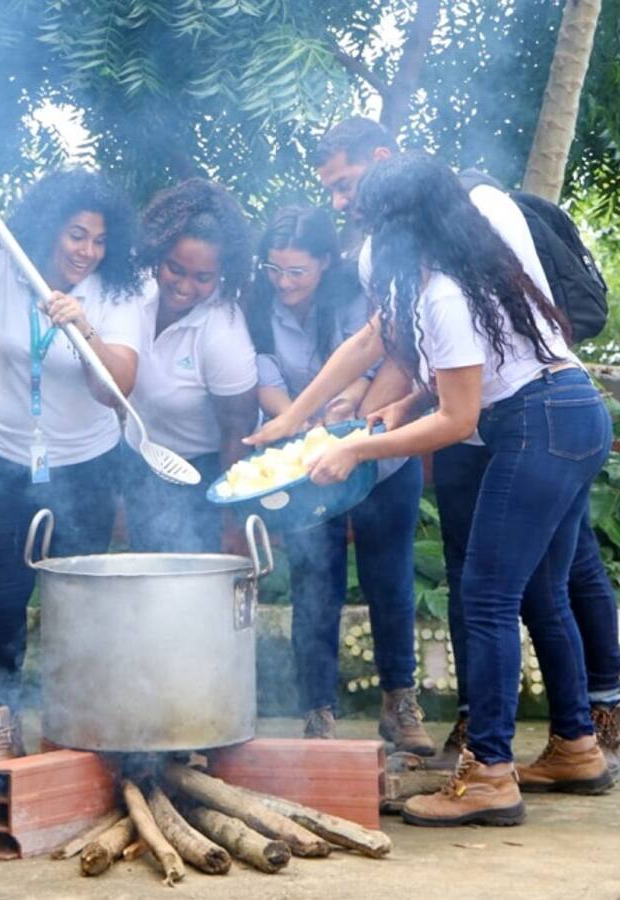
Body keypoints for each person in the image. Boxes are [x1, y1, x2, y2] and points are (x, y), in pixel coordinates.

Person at [252, 153, 614, 826]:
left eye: (372, 219)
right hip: (569, 414)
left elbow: (460, 419)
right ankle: (576, 747)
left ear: (402, 225)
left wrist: (356, 444)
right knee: (541, 591)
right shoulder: (464, 270)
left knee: (486, 594)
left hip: (537, 426)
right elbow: (446, 366)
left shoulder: (445, 291)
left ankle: (491, 775)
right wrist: (385, 406)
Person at [0, 149, 142, 762]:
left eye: (98, 239)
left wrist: (83, 328)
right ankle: (1, 721)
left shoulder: (119, 289)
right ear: (47, 226)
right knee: (4, 597)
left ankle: (73, 722)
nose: (87, 250)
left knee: (76, 599)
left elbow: (115, 389)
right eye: (76, 234)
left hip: (86, 465)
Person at [246, 205, 432, 754]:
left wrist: (349, 408)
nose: (283, 283)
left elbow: (383, 359)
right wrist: (302, 422)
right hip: (305, 466)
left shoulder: (361, 295)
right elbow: (265, 379)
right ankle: (318, 712)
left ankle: (400, 704)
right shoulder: (258, 305)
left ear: (326, 263)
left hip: (380, 456)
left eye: (296, 272)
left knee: (389, 581)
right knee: (314, 584)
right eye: (274, 270)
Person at [120, 178, 258, 552]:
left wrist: (233, 515)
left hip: (206, 471)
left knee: (192, 584)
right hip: (141, 458)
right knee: (145, 576)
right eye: (175, 268)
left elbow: (237, 429)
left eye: (203, 278)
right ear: (157, 256)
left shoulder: (223, 333)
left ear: (221, 274)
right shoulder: (131, 293)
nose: (183, 286)